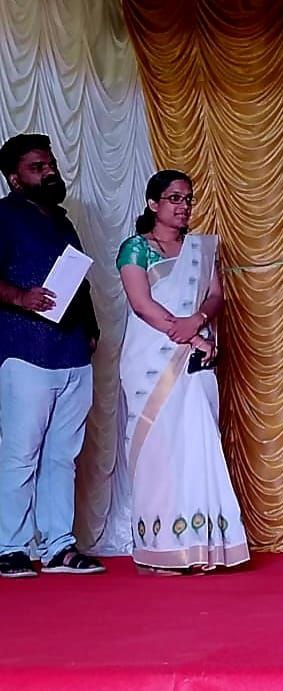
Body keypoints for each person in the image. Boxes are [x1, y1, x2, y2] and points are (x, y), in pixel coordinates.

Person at [116, 169, 249, 574]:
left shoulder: (202, 249)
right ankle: (158, 550)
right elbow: (141, 304)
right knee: (159, 451)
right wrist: (192, 334)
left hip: (196, 361)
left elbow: (215, 296)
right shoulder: (135, 249)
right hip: (152, 362)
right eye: (174, 198)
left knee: (197, 443)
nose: (183, 206)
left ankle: (201, 546)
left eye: (188, 199)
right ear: (154, 204)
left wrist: (199, 321)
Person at [0, 133, 104, 579]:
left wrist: (93, 329)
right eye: (37, 168)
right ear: (14, 179)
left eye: (50, 165)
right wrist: (21, 297)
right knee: (22, 453)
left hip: (73, 351)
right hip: (25, 351)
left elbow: (78, 280)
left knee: (64, 454)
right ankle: (11, 547)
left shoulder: (62, 220)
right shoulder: (3, 216)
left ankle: (60, 545)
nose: (49, 173)